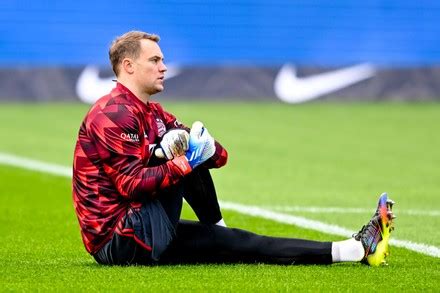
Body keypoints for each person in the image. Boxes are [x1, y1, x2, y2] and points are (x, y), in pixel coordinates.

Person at [72, 31, 395, 266]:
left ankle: (353, 249)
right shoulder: (112, 113)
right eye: (155, 60)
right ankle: (218, 230)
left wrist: (201, 148)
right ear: (128, 66)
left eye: (163, 60)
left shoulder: (153, 113)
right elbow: (130, 185)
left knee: (246, 243)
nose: (164, 67)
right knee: (183, 156)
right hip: (119, 239)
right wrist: (185, 160)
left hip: (140, 227)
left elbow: (220, 157)